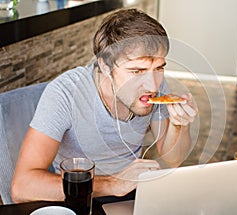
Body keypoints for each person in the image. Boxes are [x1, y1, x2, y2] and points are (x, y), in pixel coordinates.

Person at [11, 8, 198, 203]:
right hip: (80, 198)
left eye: (159, 68)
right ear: (105, 66)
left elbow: (173, 159)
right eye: (136, 71)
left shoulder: (153, 84)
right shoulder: (65, 93)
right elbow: (22, 186)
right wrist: (113, 183)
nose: (152, 85)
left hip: (133, 195)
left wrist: (178, 126)